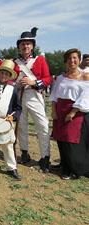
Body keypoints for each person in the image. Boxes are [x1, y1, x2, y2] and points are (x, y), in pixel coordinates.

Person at [13, 27, 51, 172]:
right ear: (19, 46)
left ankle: (45, 157)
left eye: (28, 43)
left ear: (32, 46)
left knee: (42, 126)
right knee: (21, 127)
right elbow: (10, 79)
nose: (25, 46)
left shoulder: (40, 60)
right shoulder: (15, 62)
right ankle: (24, 153)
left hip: (35, 95)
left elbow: (47, 78)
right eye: (22, 44)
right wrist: (18, 83)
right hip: (20, 96)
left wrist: (33, 83)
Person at [50, 48, 89, 179]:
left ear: (79, 60)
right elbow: (54, 95)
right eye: (69, 58)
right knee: (61, 139)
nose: (72, 61)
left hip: (75, 111)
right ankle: (64, 164)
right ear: (66, 61)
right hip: (60, 110)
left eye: (74, 58)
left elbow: (85, 96)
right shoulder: (61, 78)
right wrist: (54, 111)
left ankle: (74, 170)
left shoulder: (85, 77)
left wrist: (72, 112)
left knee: (71, 141)